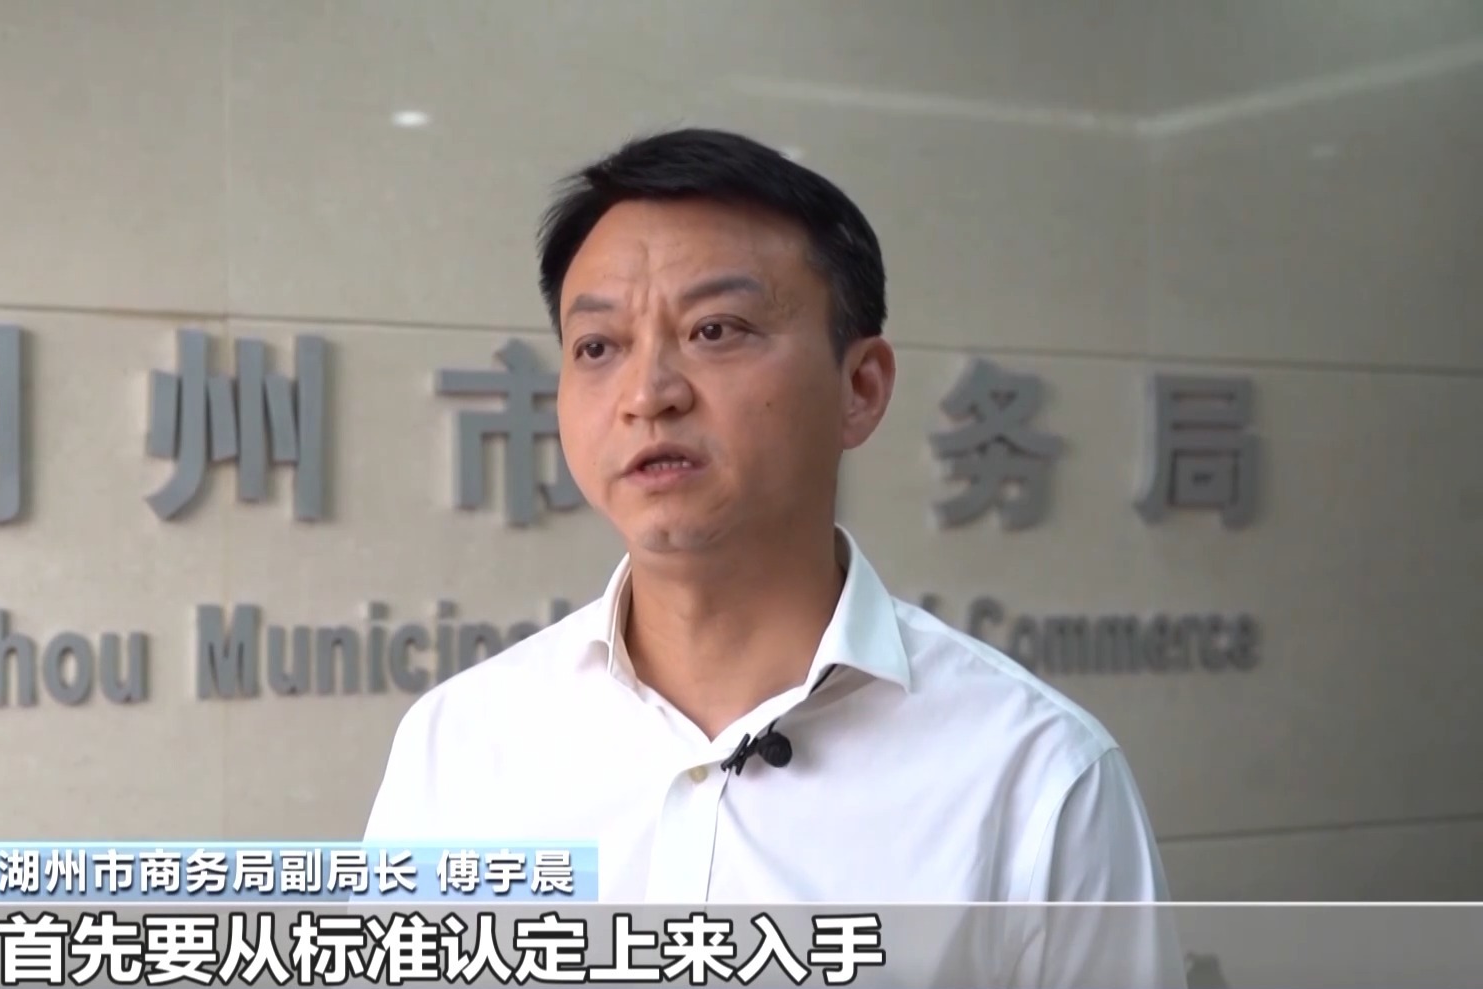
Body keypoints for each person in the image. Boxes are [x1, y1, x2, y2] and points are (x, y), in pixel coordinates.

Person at [365, 128, 1184, 986]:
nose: (648, 394)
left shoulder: (1035, 776)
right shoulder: (460, 745)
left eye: (715, 329)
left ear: (860, 387)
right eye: (598, 347)